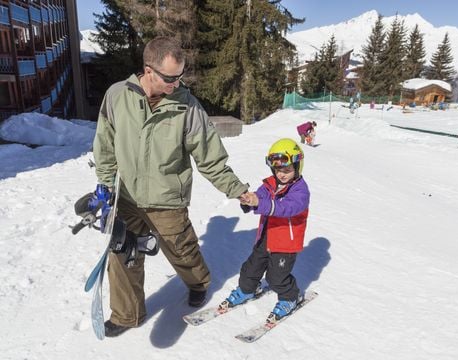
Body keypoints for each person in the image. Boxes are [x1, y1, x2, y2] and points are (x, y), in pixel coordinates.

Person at [92, 36, 249, 337]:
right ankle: (127, 314)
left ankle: (199, 282)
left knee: (182, 250)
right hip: (126, 196)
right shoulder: (117, 96)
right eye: (169, 78)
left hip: (167, 200)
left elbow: (210, 157)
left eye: (180, 77)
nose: (176, 84)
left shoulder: (187, 107)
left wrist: (237, 189)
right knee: (123, 254)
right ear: (148, 70)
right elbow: (105, 144)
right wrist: (105, 183)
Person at [221, 138, 310, 322]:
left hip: (285, 244)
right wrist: (248, 200)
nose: (282, 174)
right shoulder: (269, 184)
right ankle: (247, 290)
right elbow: (259, 197)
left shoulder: (300, 191)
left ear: (297, 167)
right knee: (250, 268)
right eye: (278, 170)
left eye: (287, 170)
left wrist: (260, 203)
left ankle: (290, 297)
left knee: (276, 278)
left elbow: (285, 208)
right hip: (265, 238)